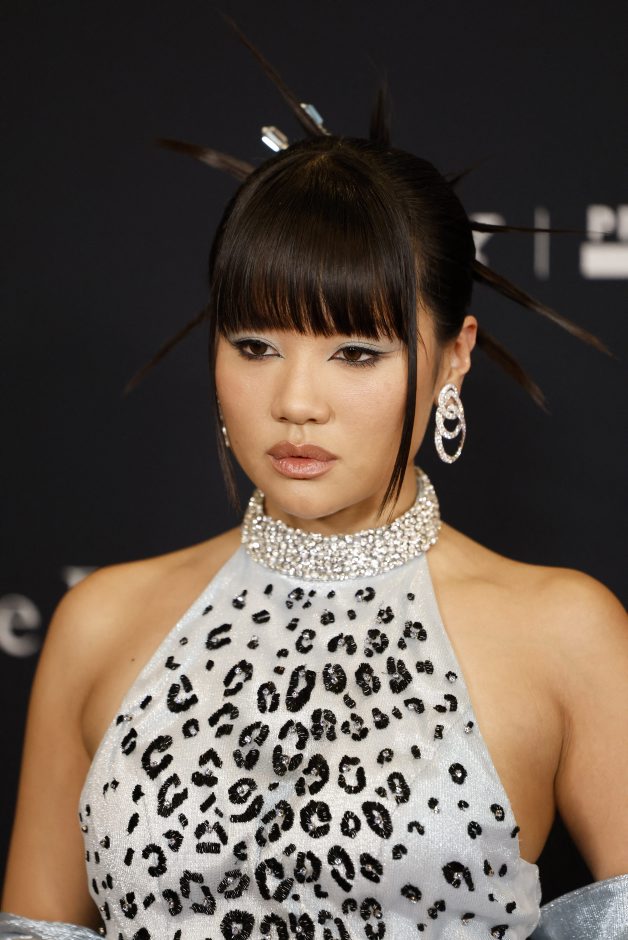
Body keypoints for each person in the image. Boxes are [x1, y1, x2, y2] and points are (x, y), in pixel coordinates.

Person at [1, 35, 627, 940]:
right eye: (255, 346)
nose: (295, 402)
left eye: (356, 352)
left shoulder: (565, 633)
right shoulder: (98, 625)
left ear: (454, 356)